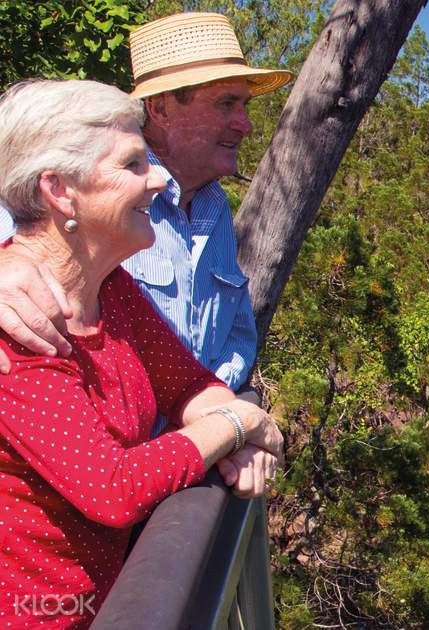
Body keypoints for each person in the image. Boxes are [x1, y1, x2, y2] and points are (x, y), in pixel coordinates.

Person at [0, 79, 284, 628]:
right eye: (133, 165)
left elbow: (185, 381)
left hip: (108, 596)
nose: (156, 178)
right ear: (60, 191)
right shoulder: (21, 332)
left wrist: (227, 421)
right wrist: (236, 420)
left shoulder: (109, 289)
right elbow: (115, 487)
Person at [0, 12, 292, 493]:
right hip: (100, 492)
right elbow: (28, 220)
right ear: (159, 107)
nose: (244, 123)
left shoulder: (215, 207)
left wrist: (225, 415)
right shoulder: (89, 189)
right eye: (227, 104)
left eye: (243, 104)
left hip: (185, 476)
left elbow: (233, 336)